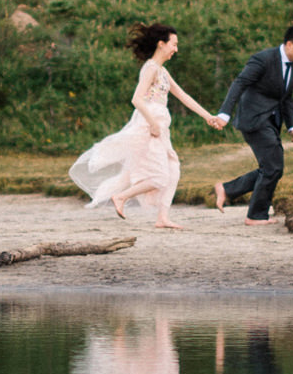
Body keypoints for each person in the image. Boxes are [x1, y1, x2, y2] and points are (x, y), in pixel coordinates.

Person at [69, 23, 225, 228]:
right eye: (174, 44)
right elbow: (137, 99)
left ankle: (163, 217)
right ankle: (121, 197)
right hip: (149, 127)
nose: (176, 49)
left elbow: (183, 96)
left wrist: (208, 116)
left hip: (160, 127)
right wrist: (152, 124)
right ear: (161, 44)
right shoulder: (150, 68)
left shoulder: (162, 71)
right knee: (159, 176)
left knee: (173, 169)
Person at [213, 23, 293, 224]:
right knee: (273, 167)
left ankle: (227, 189)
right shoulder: (263, 59)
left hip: (271, 120)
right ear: (290, 45)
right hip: (253, 118)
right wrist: (224, 113)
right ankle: (255, 216)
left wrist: (292, 126)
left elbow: (287, 97)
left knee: (272, 167)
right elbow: (239, 83)